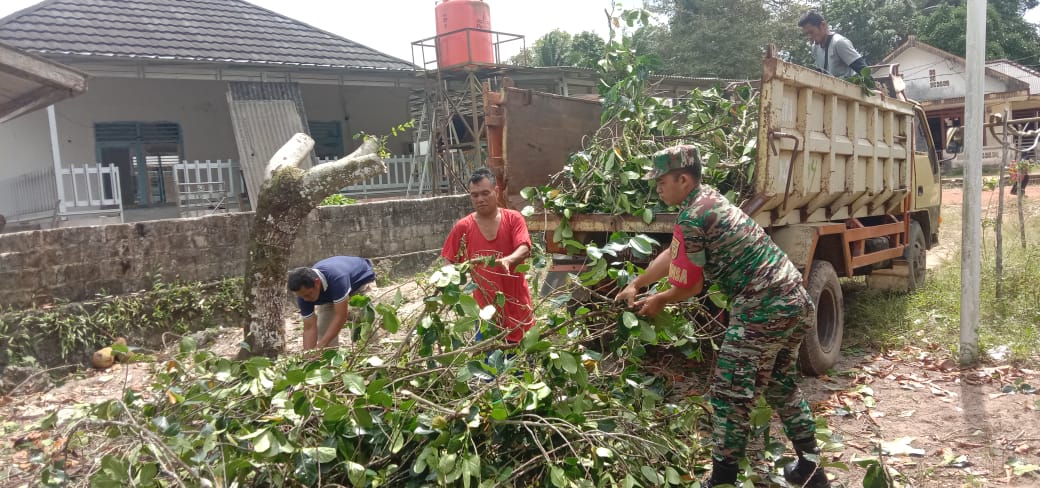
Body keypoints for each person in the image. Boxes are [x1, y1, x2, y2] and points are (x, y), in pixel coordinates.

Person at [615, 146, 831, 488]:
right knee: (779, 383)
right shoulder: (707, 201)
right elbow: (675, 255)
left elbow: (691, 285)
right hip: (795, 302)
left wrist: (659, 300)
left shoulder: (693, 215)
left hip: (764, 307)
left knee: (730, 394)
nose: (656, 188)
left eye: (660, 181)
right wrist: (637, 283)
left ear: (683, 179)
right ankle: (812, 469)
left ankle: (722, 481)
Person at [441, 168, 535, 343]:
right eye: (474, 195)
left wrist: (509, 260)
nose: (480, 199)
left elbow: (524, 247)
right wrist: (449, 281)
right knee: (488, 367)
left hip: (518, 311)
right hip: (485, 315)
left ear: (496, 191)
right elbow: (448, 259)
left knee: (521, 367)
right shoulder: (463, 227)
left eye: (485, 193)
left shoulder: (514, 219)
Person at [287, 256, 376, 350]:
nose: (306, 299)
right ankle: (330, 361)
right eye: (302, 296)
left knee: (369, 321)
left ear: (317, 283)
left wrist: (320, 347)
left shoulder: (337, 278)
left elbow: (341, 316)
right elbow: (309, 327)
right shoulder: (303, 295)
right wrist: (308, 355)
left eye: (308, 294)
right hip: (331, 295)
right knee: (324, 329)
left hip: (359, 283)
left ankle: (374, 355)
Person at [799, 9, 867, 78]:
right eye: (807, 34)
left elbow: (863, 70)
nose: (809, 37)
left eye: (811, 32)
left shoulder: (839, 43)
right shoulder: (815, 48)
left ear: (823, 25)